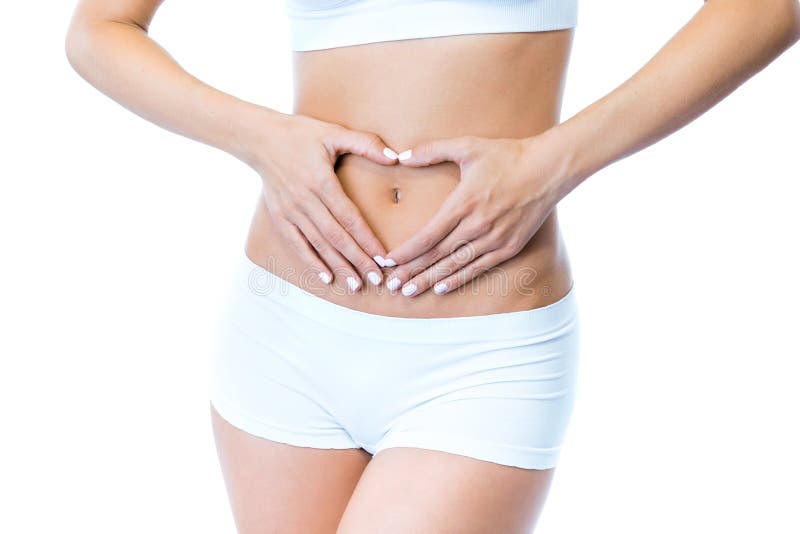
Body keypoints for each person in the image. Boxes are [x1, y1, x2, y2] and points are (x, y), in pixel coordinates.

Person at [65, 0, 800, 532]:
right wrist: (260, 139)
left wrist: (556, 162)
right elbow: (98, 30)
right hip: (282, 335)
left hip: (478, 357)